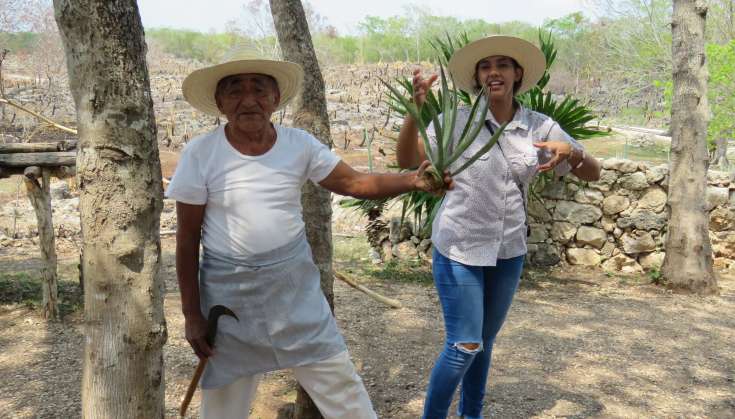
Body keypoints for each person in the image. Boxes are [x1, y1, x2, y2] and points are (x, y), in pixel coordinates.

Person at [166, 46, 450, 419]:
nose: (248, 99)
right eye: (235, 90)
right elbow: (186, 240)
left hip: (293, 288)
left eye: (259, 89)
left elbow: (354, 182)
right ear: (220, 102)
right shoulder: (200, 153)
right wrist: (191, 314)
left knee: (340, 385)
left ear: (276, 98)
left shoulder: (299, 145)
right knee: (223, 401)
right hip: (228, 297)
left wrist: (412, 180)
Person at [395, 35, 601, 419]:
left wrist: (572, 151)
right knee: (465, 345)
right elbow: (407, 159)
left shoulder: (539, 126)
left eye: (503, 65)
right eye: (485, 66)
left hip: (508, 251)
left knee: (485, 342)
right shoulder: (455, 121)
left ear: (517, 73)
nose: (494, 72)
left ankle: (471, 415)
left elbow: (593, 173)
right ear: (477, 76)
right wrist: (414, 110)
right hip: (459, 247)